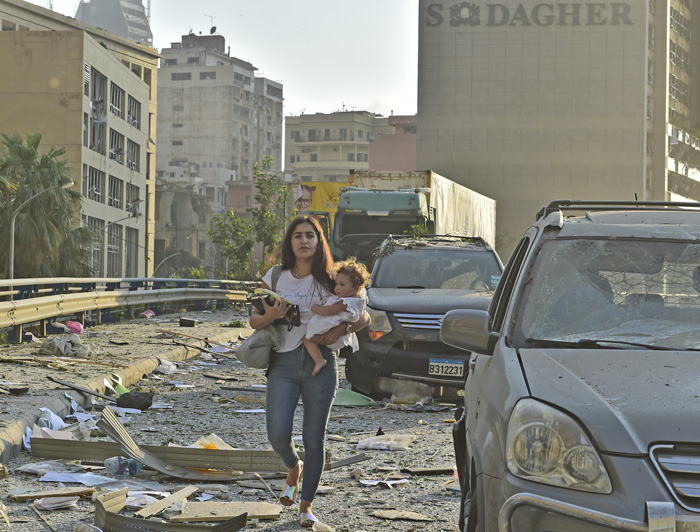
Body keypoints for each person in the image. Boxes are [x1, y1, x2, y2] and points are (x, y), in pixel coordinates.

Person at [249, 215, 369, 528]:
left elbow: (365, 317)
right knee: (277, 433)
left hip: (322, 363)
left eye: (310, 236)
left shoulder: (332, 278)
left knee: (314, 438)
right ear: (290, 242)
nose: (304, 241)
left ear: (319, 242)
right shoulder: (275, 276)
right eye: (298, 235)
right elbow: (252, 320)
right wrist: (270, 315)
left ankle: (306, 506)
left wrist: (342, 325)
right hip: (283, 363)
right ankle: (293, 466)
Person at [303, 257, 370, 376]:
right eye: (336, 284)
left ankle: (319, 360)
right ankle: (335, 356)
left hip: (329, 329)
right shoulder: (358, 298)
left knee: (307, 339)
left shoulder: (345, 302)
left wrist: (316, 308)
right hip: (340, 339)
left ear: (356, 288)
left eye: (342, 285)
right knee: (334, 350)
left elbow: (330, 311)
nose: (337, 288)